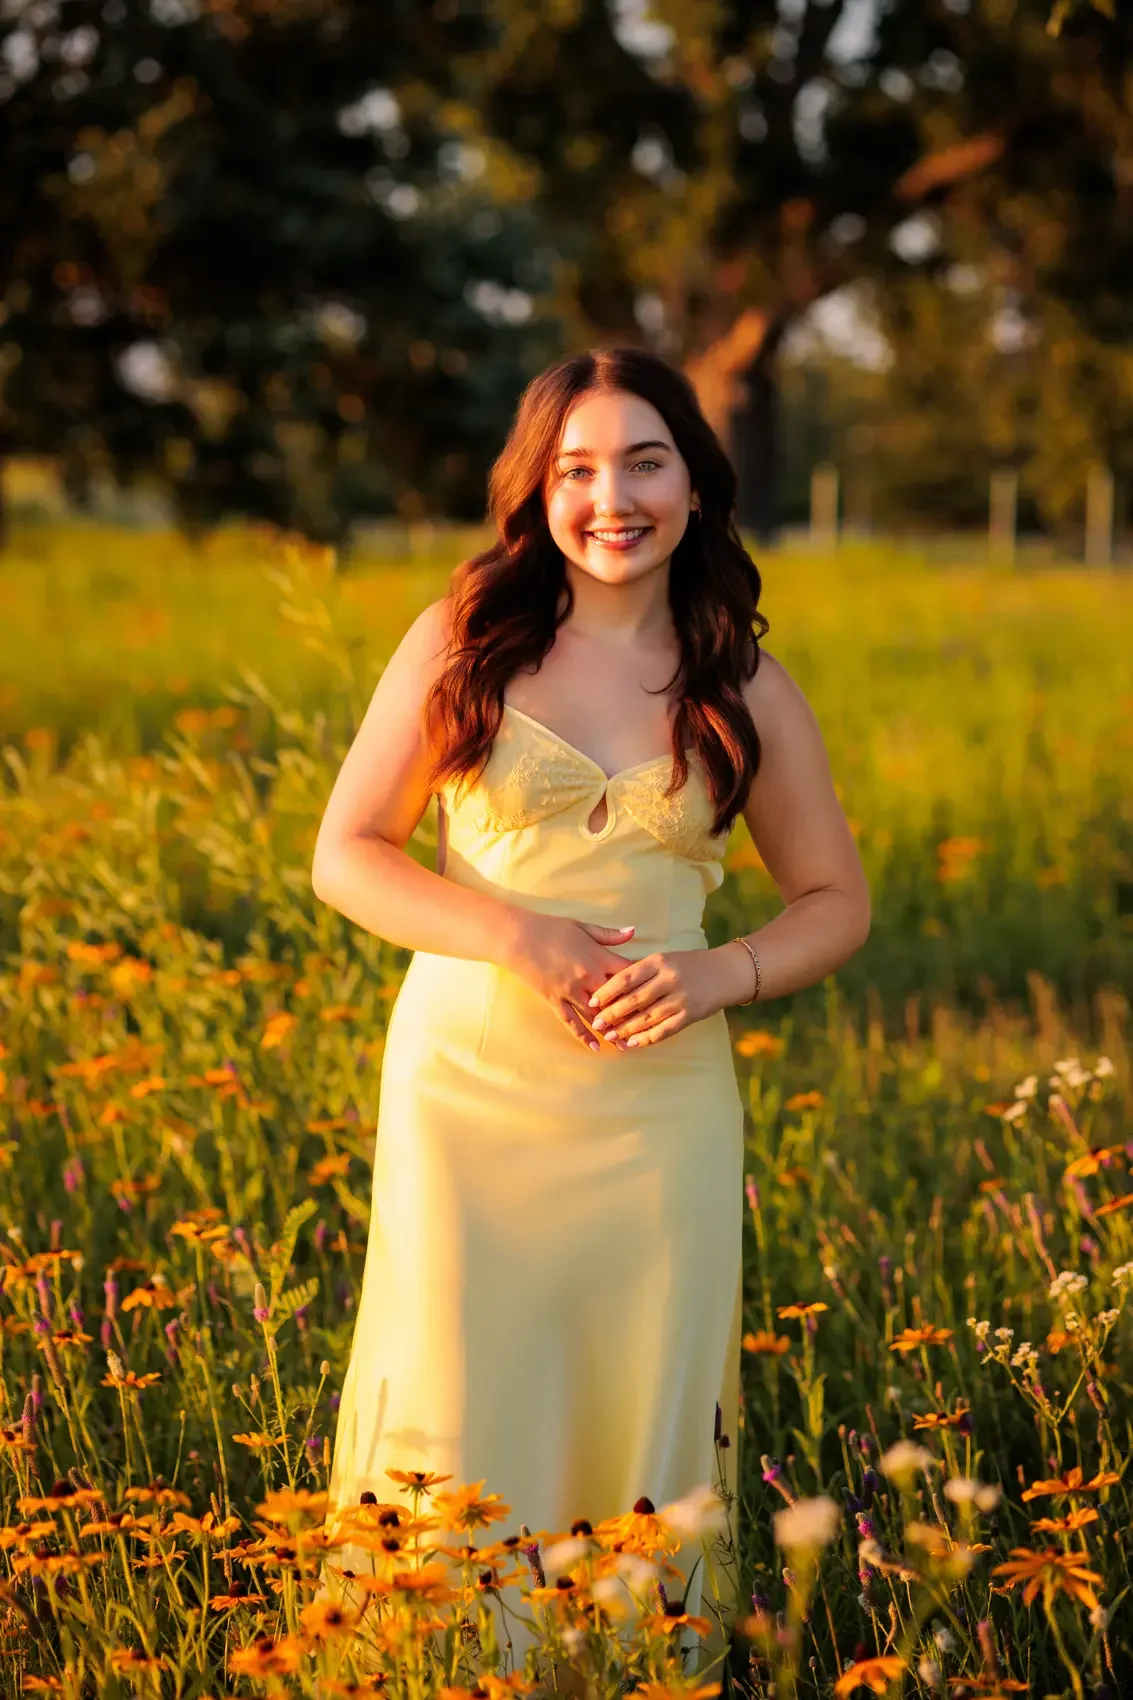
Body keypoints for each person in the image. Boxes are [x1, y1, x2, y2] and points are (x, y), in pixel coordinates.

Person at [310, 346, 871, 1688]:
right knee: (456, 1381)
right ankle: (434, 1667)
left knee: (645, 1396)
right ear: (536, 492)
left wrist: (714, 974)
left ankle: (619, 1669)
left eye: (643, 460)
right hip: (469, 1093)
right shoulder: (467, 640)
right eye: (575, 469)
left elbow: (835, 900)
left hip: (660, 1112)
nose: (609, 497)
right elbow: (347, 852)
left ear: (693, 483)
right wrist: (519, 932)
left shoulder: (739, 675)